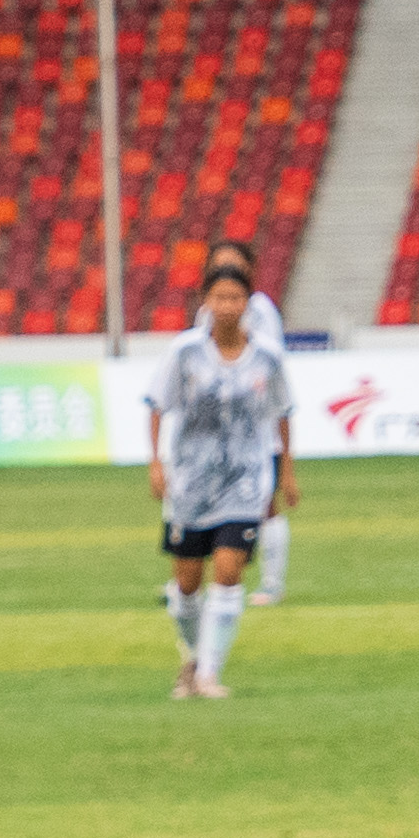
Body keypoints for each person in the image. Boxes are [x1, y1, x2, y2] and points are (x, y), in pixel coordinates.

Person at [145, 263, 296, 700]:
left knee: (228, 572)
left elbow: (283, 412)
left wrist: (285, 469)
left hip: (245, 481)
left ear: (248, 305)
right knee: (187, 586)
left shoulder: (267, 357)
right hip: (191, 482)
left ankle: (209, 674)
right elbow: (157, 404)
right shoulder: (185, 352)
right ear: (205, 303)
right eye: (219, 298)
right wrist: (156, 463)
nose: (227, 307)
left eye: (235, 299)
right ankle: (192, 658)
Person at [187, 238, 295, 604]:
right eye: (219, 263)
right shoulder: (207, 313)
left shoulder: (260, 311)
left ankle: (272, 583)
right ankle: (194, 582)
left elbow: (268, 365)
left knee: (265, 503)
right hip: (213, 434)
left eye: (234, 263)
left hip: (255, 427)